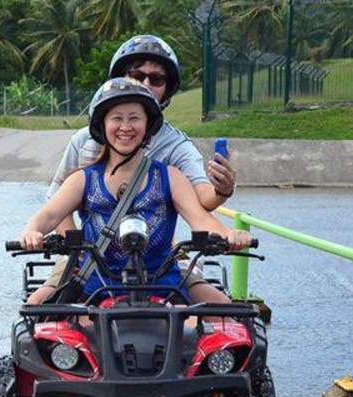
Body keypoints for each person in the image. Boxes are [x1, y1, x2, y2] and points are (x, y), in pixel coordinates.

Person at [29, 34, 237, 305]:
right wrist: (70, 247)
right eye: (136, 75)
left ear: (148, 129)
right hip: (90, 261)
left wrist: (226, 216)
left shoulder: (173, 161)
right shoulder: (83, 162)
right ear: (102, 125)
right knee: (37, 314)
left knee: (229, 318)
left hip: (159, 264)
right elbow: (53, 210)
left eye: (156, 79)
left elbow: (200, 209)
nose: (126, 128)